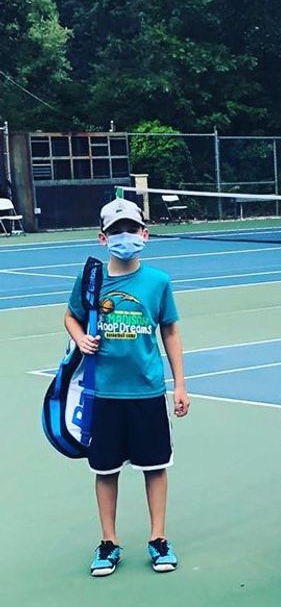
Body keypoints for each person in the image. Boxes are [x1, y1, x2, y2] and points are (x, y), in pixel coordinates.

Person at [64, 198, 189, 576]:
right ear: (103, 238)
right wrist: (79, 338)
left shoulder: (158, 282)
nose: (124, 237)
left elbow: (170, 330)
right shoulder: (91, 280)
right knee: (105, 470)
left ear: (145, 234)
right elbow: (71, 316)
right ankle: (108, 542)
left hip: (147, 391)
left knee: (155, 466)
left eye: (131, 229)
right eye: (116, 231)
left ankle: (158, 538)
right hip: (102, 393)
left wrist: (179, 384)